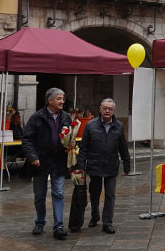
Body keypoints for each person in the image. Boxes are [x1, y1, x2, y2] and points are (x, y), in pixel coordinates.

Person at [23, 87, 73, 240]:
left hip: (58, 162)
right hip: (40, 162)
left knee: (58, 193)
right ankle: (40, 222)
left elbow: (69, 136)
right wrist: (33, 157)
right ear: (50, 100)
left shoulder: (66, 117)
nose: (62, 101)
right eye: (59, 99)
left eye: (63, 99)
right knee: (40, 195)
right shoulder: (37, 117)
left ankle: (59, 226)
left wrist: (70, 144)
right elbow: (27, 139)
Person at [77, 98, 131, 234]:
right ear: (100, 109)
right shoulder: (90, 125)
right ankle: (95, 215)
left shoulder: (118, 126)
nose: (107, 111)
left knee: (110, 194)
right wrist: (81, 165)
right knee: (94, 194)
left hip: (111, 165)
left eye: (110, 109)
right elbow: (83, 147)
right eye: (105, 108)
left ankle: (107, 222)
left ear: (113, 111)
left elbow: (123, 147)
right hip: (95, 165)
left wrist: (126, 164)